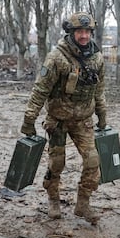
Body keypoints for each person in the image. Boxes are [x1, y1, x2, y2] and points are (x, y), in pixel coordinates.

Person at [20, 12, 106, 225]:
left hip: (83, 120)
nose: (84, 36)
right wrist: (29, 120)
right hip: (58, 120)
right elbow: (40, 90)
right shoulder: (57, 58)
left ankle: (83, 204)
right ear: (71, 33)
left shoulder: (97, 58)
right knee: (57, 163)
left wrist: (102, 116)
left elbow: (100, 90)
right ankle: (53, 200)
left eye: (87, 32)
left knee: (93, 160)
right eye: (80, 32)